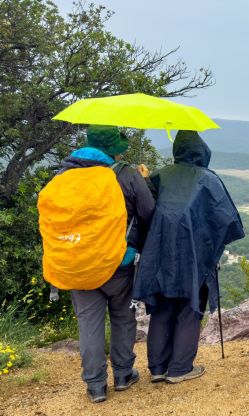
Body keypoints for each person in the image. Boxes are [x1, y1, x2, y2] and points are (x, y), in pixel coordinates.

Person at [133, 130, 244, 384]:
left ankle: (158, 368)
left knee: (161, 308)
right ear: (202, 151)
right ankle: (180, 368)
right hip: (194, 257)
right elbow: (227, 222)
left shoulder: (158, 176)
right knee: (189, 308)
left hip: (158, 255)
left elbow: (142, 216)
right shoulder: (208, 180)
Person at [62, 125, 155, 403]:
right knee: (123, 317)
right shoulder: (127, 174)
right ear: (114, 147)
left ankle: (95, 386)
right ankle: (124, 374)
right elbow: (148, 212)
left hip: (77, 262)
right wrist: (144, 181)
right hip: (117, 262)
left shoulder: (65, 175)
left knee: (88, 323)